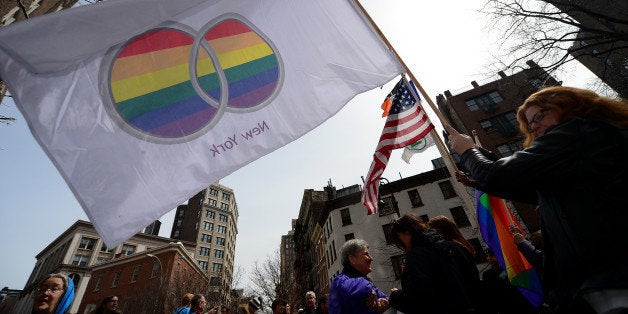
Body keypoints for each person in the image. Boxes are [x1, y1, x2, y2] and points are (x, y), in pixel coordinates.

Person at [446, 86, 628, 313]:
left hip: (612, 283)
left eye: (539, 116)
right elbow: (529, 188)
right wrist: (479, 176)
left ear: (567, 106)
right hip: (598, 283)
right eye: (530, 124)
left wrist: (468, 151)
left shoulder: (576, 132)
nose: (534, 126)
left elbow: (499, 177)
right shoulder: (588, 143)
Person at [388, 213, 481, 314]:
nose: (401, 245)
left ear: (406, 232)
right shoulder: (454, 247)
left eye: (398, 237)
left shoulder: (417, 256)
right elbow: (474, 282)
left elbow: (416, 300)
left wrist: (395, 295)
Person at [328, 239, 389, 314]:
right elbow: (350, 289)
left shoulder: (367, 281)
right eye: (366, 254)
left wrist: (382, 303)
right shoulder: (339, 281)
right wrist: (369, 289)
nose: (371, 258)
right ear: (352, 259)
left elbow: (386, 299)